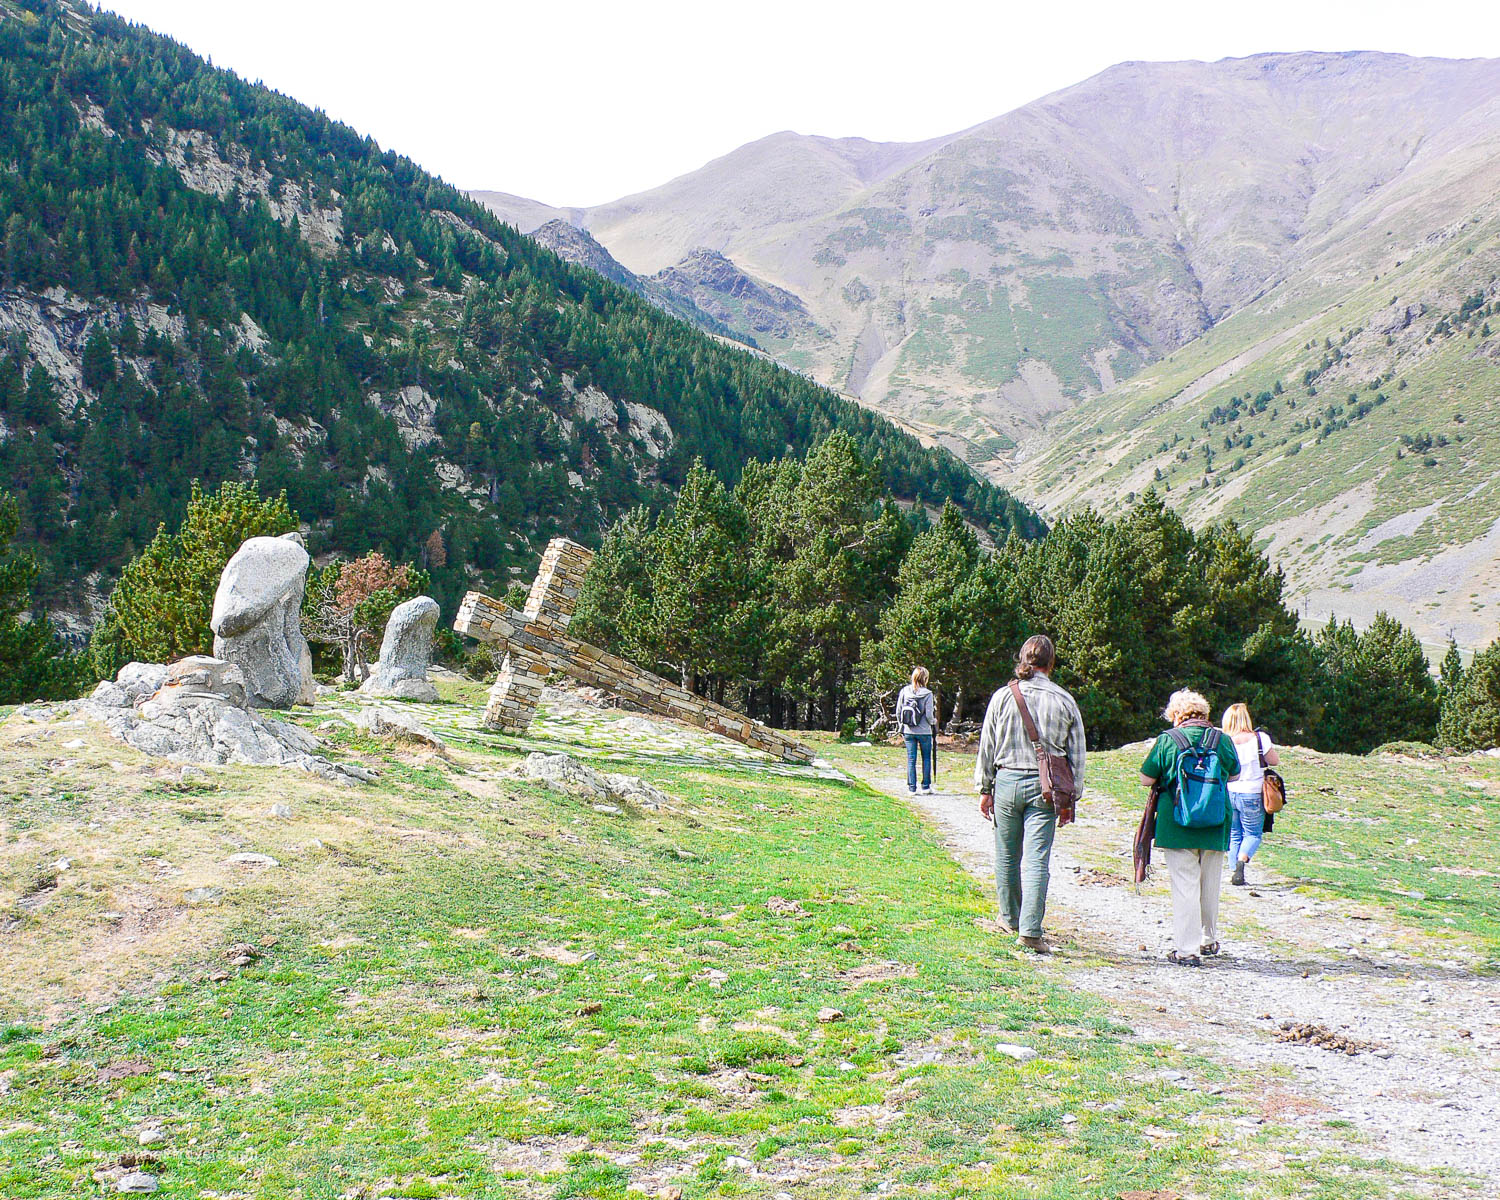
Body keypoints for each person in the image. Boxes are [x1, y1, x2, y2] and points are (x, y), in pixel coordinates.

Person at [973, 635, 1086, 954]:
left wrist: (985, 788)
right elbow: (1077, 754)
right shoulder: (1065, 700)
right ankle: (1031, 931)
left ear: (1022, 659)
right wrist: (1072, 797)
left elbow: (987, 745)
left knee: (1007, 854)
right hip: (1046, 788)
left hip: (1007, 780)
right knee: (1037, 858)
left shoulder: (1002, 696)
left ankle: (1009, 918)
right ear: (1051, 663)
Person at [1139, 689, 1240, 966]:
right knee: (1210, 884)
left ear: (1176, 715)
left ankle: (1186, 950)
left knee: (1185, 886)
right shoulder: (1222, 739)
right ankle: (1208, 939)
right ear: (1204, 713)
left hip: (1176, 824)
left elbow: (1146, 778)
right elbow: (1235, 774)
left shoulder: (1168, 739)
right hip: (1215, 821)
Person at [1221, 703, 1279, 887]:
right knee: (1253, 834)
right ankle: (1242, 861)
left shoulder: (1224, 740)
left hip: (1230, 791)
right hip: (1252, 792)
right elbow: (1274, 761)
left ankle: (1233, 870)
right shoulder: (1260, 738)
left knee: (1234, 833)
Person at [895, 666, 936, 795]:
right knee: (926, 758)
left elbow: (898, 711)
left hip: (909, 730)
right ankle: (926, 787)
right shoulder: (928, 694)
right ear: (925, 678)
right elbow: (929, 715)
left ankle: (912, 788)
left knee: (911, 759)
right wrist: (934, 722)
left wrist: (901, 725)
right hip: (924, 731)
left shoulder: (905, 691)